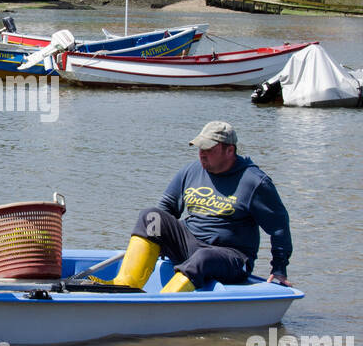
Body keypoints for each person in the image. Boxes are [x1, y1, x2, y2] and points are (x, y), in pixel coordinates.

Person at [95, 121, 293, 292]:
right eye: (200, 148)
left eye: (209, 150)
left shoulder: (255, 182)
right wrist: (160, 240)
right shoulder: (191, 170)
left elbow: (279, 227)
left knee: (203, 256)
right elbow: (166, 208)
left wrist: (279, 269)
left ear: (229, 150)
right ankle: (125, 287)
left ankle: (161, 304)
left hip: (231, 257)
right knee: (150, 217)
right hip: (190, 244)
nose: (202, 155)